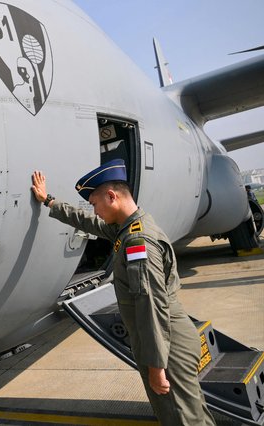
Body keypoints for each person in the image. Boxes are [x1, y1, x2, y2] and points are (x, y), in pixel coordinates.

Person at [31, 159, 215, 425]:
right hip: (168, 341)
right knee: (192, 413)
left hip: (167, 346)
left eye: (94, 204)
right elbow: (88, 223)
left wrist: (156, 365)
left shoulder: (138, 243)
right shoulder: (131, 226)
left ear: (111, 196)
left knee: (181, 418)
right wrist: (48, 201)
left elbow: (151, 305)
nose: (94, 211)